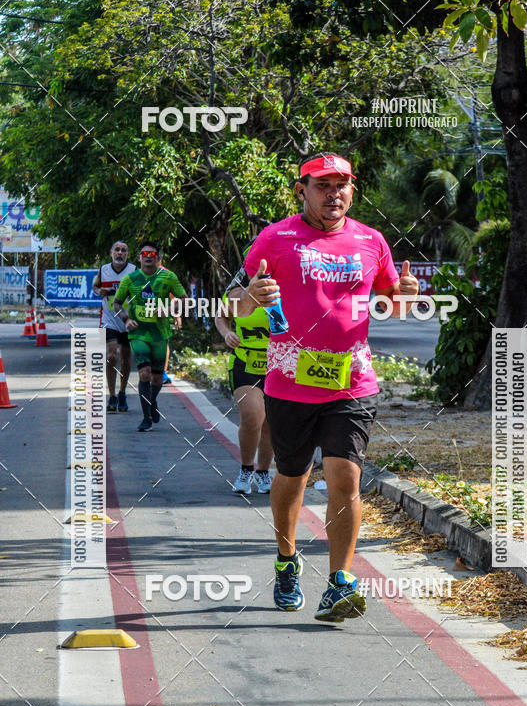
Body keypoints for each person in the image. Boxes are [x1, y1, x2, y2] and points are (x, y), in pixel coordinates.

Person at [228, 153, 418, 621]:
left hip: (352, 381)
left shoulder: (371, 241)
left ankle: (339, 581)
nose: (335, 193)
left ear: (352, 190)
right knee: (292, 477)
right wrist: (251, 294)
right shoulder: (275, 237)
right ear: (302, 190)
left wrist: (407, 296)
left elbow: (392, 304)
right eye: (323, 185)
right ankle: (287, 560)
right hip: (289, 380)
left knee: (345, 477)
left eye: (343, 185)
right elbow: (234, 300)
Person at [216, 241, 273, 495]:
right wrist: (227, 333)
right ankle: (246, 469)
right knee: (253, 416)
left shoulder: (285, 286)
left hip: (278, 364)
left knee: (271, 422)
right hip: (246, 361)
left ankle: (263, 472)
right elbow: (221, 314)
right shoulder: (237, 289)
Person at [112, 241, 187, 432]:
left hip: (160, 333)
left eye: (152, 254)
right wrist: (126, 319)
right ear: (138, 257)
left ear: (158, 258)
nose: (148, 257)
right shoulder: (130, 279)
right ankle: (146, 418)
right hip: (138, 333)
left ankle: (152, 402)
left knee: (156, 379)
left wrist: (170, 309)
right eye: (144, 254)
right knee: (144, 374)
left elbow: (184, 300)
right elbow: (117, 304)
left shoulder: (168, 277)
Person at [92, 240, 136, 412]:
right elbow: (95, 286)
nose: (120, 253)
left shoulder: (133, 271)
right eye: (117, 249)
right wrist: (98, 291)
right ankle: (111, 395)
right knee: (111, 356)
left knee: (126, 357)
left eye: (123, 250)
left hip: (127, 320)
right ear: (111, 252)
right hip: (108, 320)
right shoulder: (103, 270)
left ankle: (122, 392)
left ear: (128, 254)